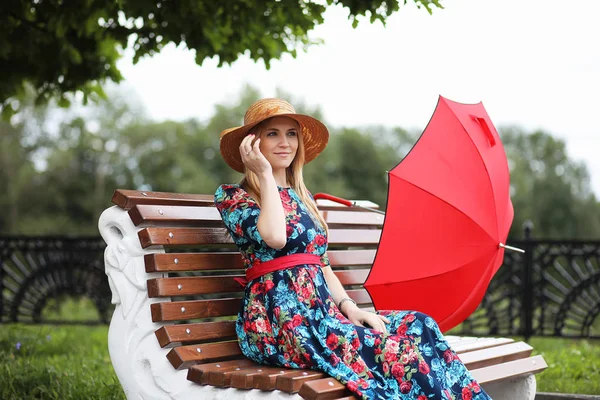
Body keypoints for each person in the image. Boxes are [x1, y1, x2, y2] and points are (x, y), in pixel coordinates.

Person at [214, 98, 491, 400]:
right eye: (272, 134)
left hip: (324, 313)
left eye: (291, 133)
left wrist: (351, 308)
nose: (285, 142)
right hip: (281, 322)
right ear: (252, 144)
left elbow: (321, 264)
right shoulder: (234, 197)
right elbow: (276, 238)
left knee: (419, 325)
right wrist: (265, 175)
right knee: (399, 353)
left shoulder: (301, 196)